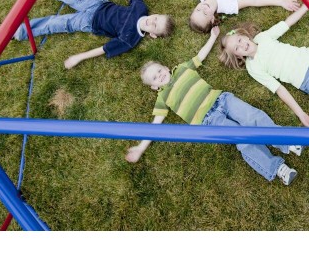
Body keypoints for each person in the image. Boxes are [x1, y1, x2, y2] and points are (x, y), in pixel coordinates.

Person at [125, 27, 302, 185]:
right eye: (155, 79)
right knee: (243, 140)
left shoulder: (182, 68)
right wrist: (141, 148)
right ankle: (277, 168)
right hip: (208, 120)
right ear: (154, 87)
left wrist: (212, 37)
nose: (159, 76)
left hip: (222, 99)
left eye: (159, 71)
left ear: (165, 67)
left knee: (253, 116)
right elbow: (155, 125)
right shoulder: (162, 98)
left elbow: (200, 56)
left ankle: (286, 141)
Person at [13, 0, 175, 69]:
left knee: (59, 23)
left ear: (152, 35)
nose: (152, 21)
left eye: (154, 25)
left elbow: (104, 49)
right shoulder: (141, 10)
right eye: (156, 17)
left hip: (89, 22)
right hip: (96, 3)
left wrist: (79, 57)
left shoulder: (130, 39)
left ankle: (24, 31)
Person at [219, 3, 309, 127]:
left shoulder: (262, 37)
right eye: (237, 48)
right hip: (304, 79)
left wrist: (305, 6)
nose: (242, 45)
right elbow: (279, 89)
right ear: (238, 56)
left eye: (239, 40)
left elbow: (287, 23)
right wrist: (301, 114)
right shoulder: (253, 68)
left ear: (244, 36)